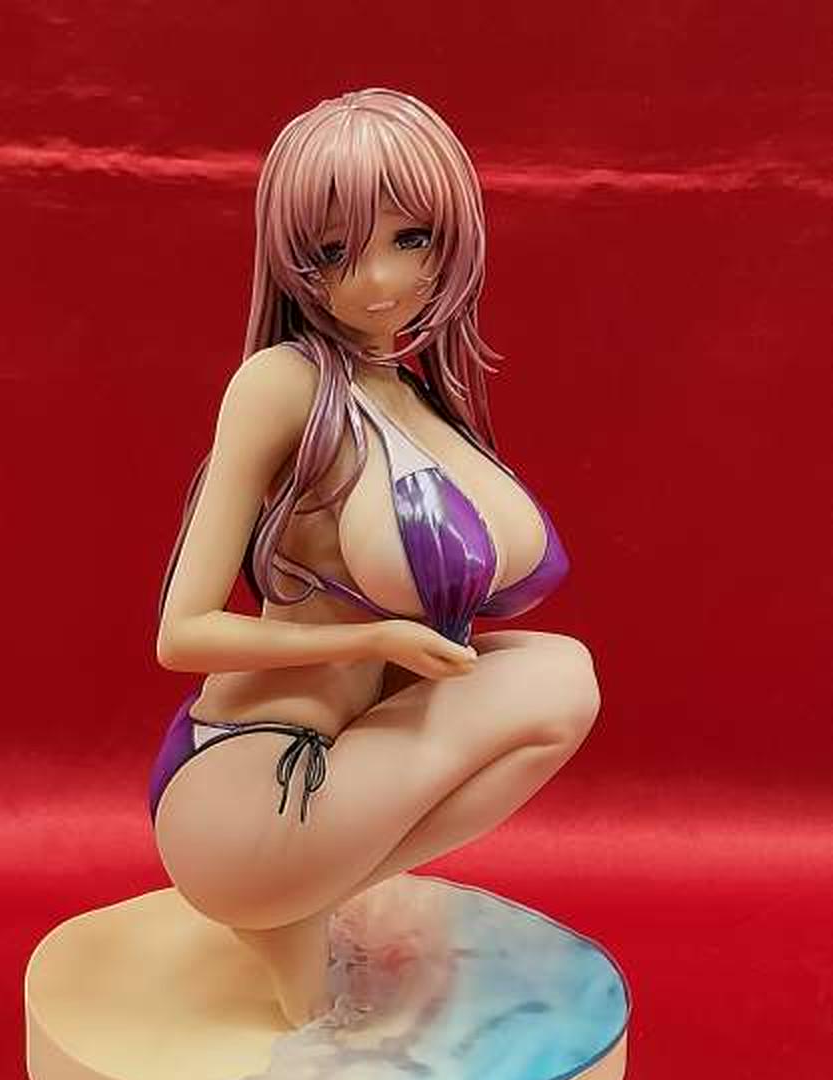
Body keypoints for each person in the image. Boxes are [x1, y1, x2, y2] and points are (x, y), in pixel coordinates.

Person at [149, 88, 601, 1028]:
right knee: (556, 683)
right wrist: (378, 635)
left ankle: (299, 909)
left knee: (559, 673)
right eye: (333, 253)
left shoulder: (417, 392)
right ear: (291, 258)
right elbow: (182, 634)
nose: (380, 280)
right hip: (248, 782)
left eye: (411, 238)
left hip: (337, 765)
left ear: (453, 236)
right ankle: (281, 909)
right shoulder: (283, 384)